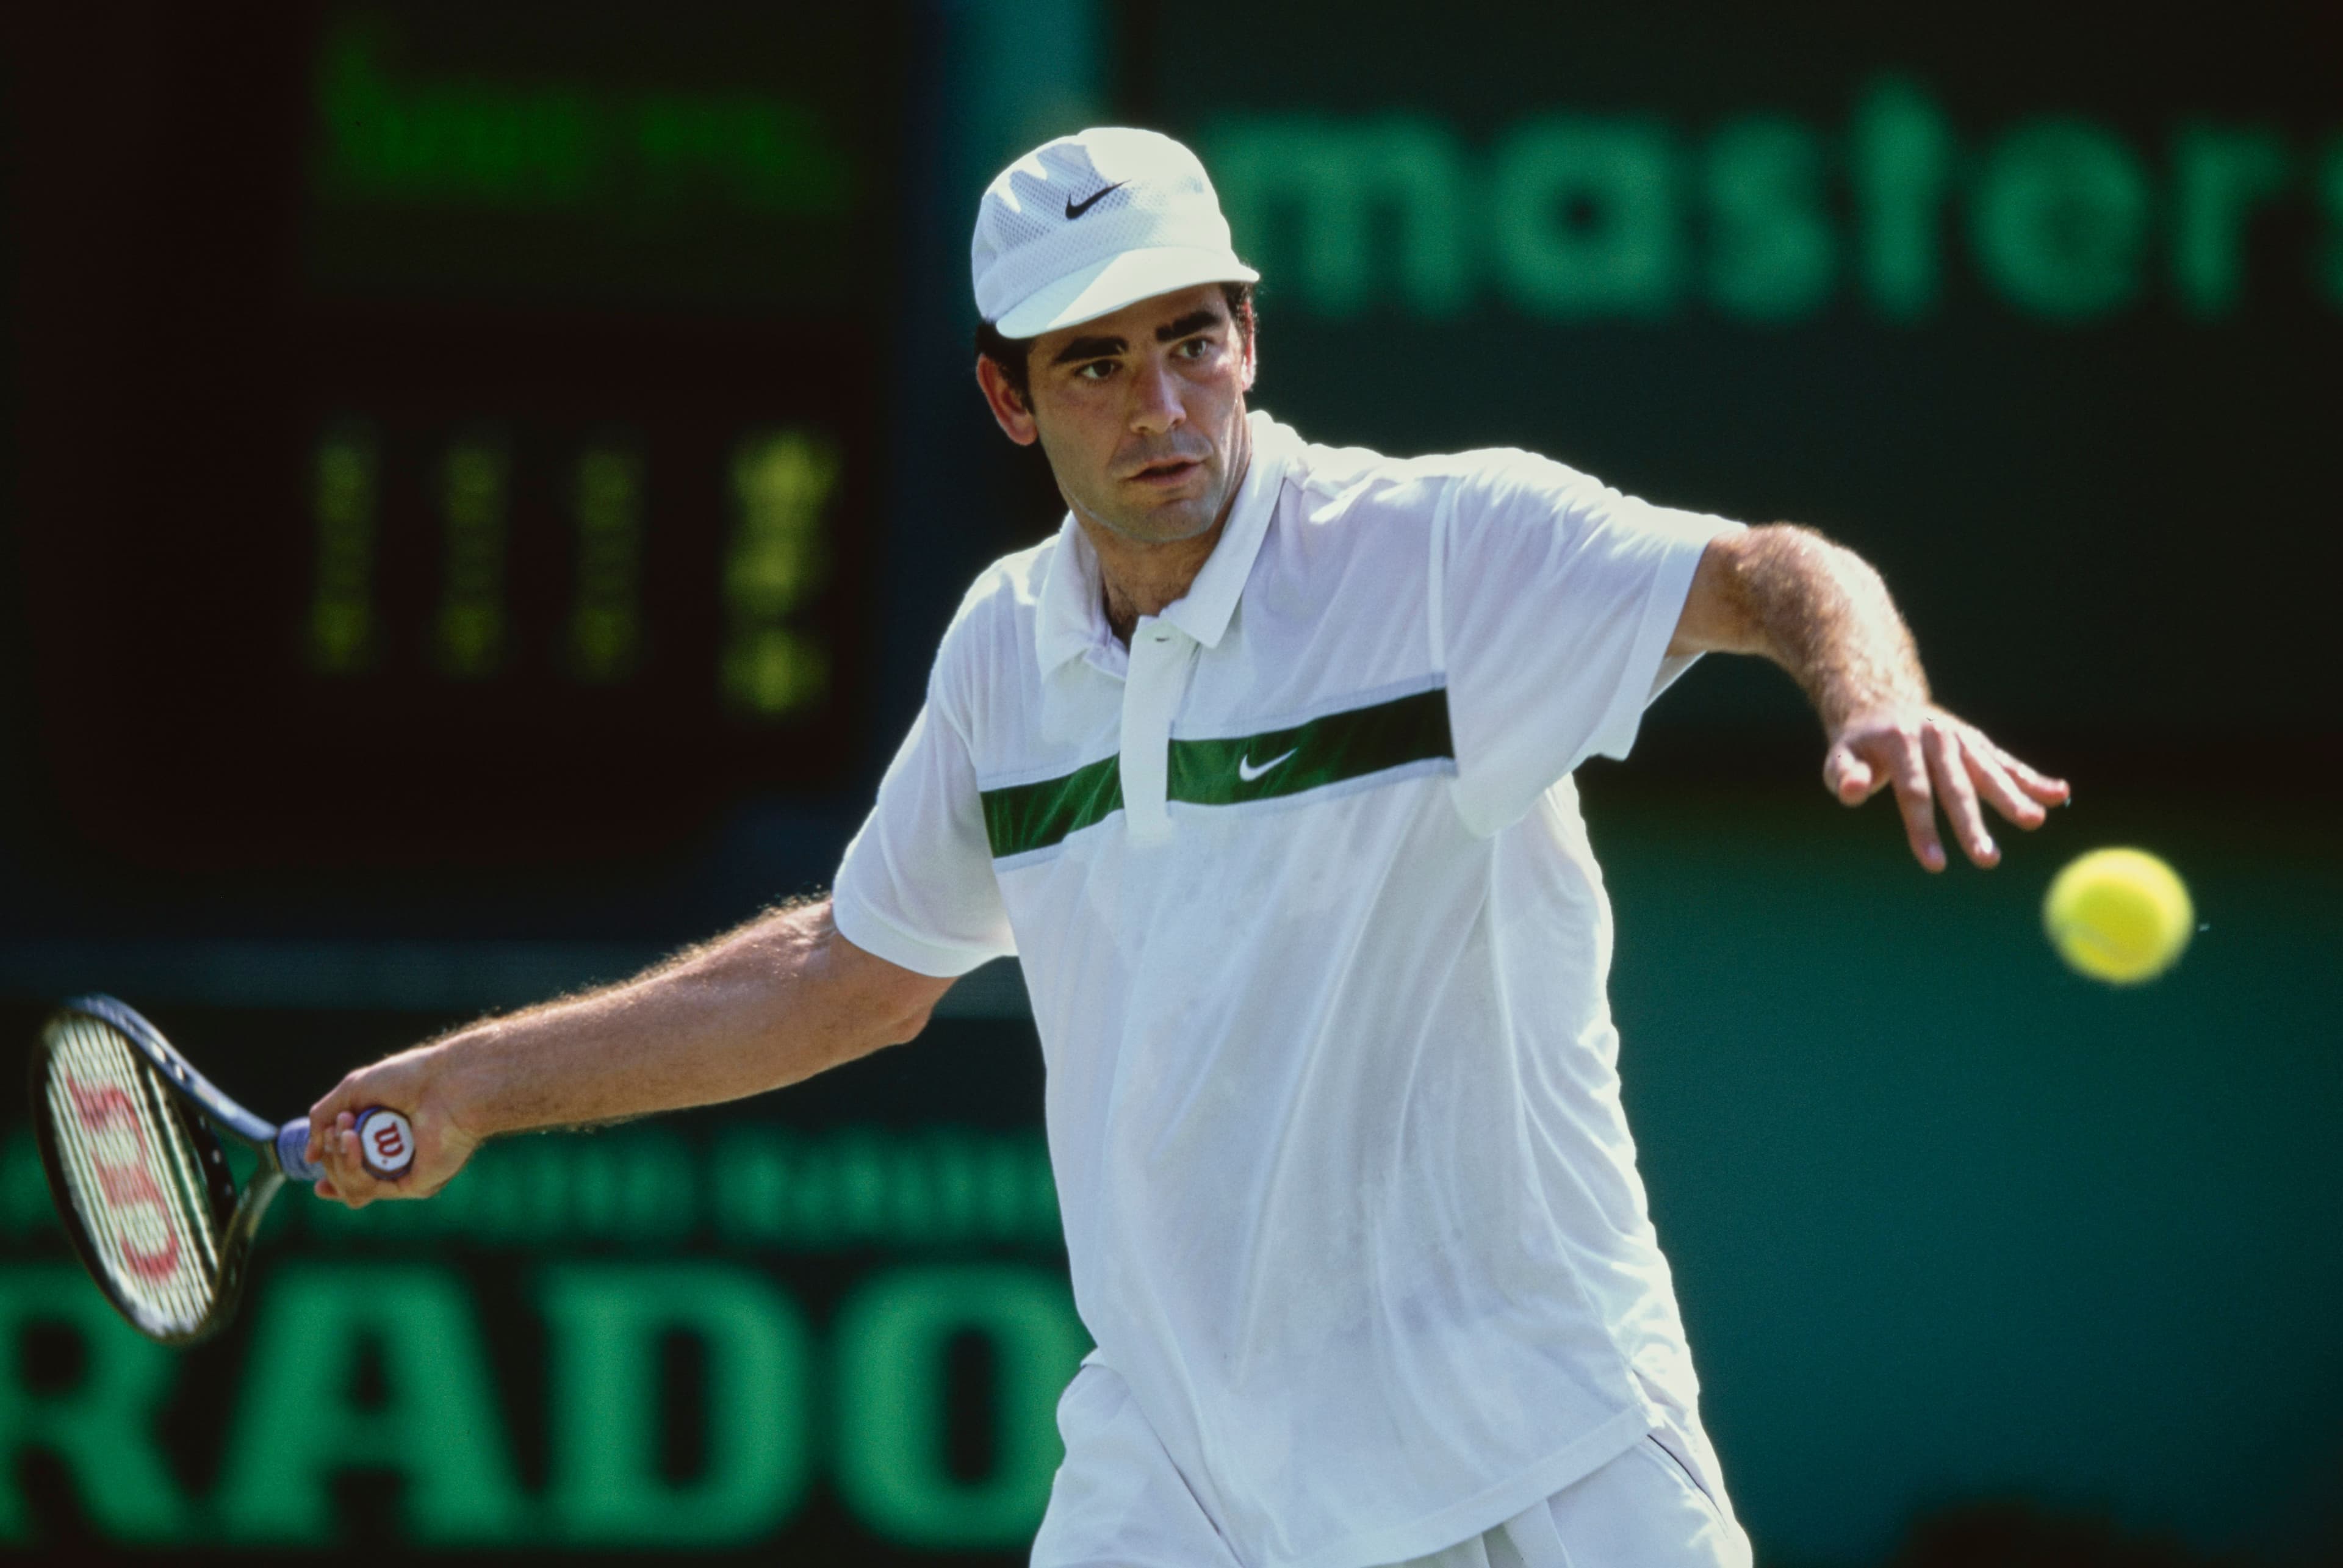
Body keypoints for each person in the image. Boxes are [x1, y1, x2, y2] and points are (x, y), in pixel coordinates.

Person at [308, 128, 2069, 1567]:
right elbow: (845, 974)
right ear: (1010, 398)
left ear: (1250, 337)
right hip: (1188, 1486)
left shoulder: (1442, 553)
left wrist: (1874, 701)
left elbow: (1768, 570)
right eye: (1095, 362)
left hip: (1540, 1447)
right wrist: (473, 1086)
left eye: (1191, 340)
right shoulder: (1005, 653)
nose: (1159, 404)